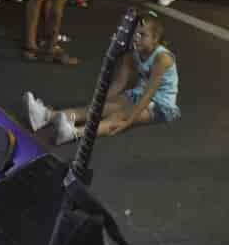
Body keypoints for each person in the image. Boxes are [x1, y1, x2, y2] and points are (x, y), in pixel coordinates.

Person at [24, 12, 176, 145]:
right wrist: (97, 104)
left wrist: (128, 122)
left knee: (118, 115)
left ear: (155, 38)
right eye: (135, 34)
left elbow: (149, 94)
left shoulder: (163, 58)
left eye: (142, 35)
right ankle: (45, 116)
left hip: (160, 104)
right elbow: (119, 83)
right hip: (138, 94)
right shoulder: (132, 53)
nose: (137, 38)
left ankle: (74, 133)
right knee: (102, 107)